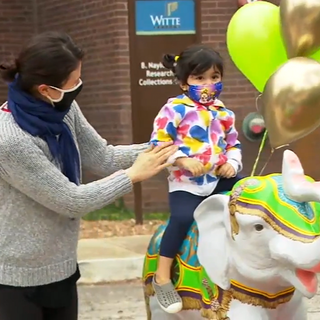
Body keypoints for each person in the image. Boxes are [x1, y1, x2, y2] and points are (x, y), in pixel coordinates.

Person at [0, 31, 177, 320]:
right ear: (46, 89)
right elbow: (71, 200)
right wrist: (132, 176)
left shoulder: (62, 110)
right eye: (73, 83)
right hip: (17, 280)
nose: (79, 87)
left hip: (62, 266)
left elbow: (103, 156)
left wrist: (166, 149)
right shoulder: (10, 139)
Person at [150, 45, 243, 313]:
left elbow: (233, 144)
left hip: (218, 179)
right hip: (187, 184)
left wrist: (231, 164)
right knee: (181, 218)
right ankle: (163, 276)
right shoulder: (174, 109)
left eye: (214, 77)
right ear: (183, 83)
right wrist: (181, 159)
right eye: (199, 78)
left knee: (248, 195)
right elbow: (159, 143)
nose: (208, 84)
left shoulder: (224, 112)